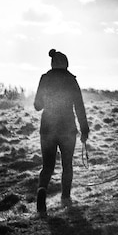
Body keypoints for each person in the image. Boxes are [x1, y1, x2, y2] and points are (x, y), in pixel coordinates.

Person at [34, 49, 89, 213]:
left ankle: (42, 192)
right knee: (67, 164)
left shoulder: (45, 78)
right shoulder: (71, 80)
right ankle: (65, 198)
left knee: (47, 166)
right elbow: (79, 106)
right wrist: (84, 129)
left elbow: (38, 106)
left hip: (47, 127)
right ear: (66, 63)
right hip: (67, 127)